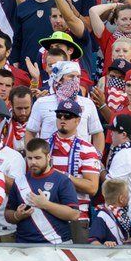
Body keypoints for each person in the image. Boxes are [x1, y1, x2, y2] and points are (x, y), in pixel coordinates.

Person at [45, 98, 101, 242]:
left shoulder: (87, 149)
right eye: (59, 115)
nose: (62, 119)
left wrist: (63, 176)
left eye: (68, 116)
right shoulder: (44, 146)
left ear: (77, 120)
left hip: (77, 218)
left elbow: (93, 187)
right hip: (46, 217)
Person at [4, 138, 79, 244]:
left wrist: (46, 204)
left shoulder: (62, 180)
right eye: (29, 158)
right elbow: (7, 214)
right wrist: (17, 215)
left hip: (57, 245)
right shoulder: (19, 181)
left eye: (37, 158)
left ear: (48, 157)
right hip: (24, 245)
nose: (33, 162)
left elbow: (74, 214)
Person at [89, 178, 131, 246]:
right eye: (127, 194)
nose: (129, 197)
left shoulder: (124, 214)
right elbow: (93, 241)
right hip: (111, 255)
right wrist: (105, 245)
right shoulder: (102, 215)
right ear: (121, 199)